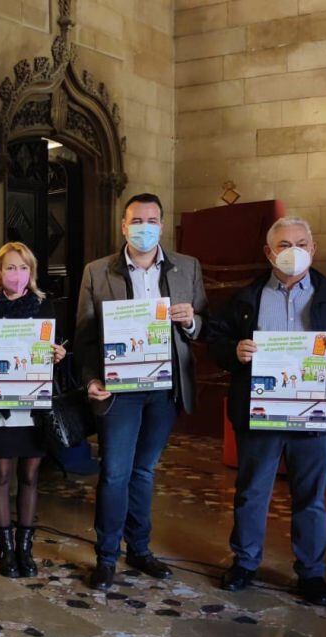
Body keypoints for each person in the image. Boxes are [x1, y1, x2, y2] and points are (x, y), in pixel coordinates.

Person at [207, 216, 326, 605]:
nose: (293, 251)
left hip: (316, 416)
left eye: (300, 243)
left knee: (311, 497)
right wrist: (233, 351)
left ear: (313, 249)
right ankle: (245, 562)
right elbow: (217, 338)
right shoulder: (247, 298)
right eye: (283, 245)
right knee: (251, 493)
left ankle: (311, 574)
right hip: (260, 414)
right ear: (269, 253)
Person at [75, 192, 208, 591]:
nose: (144, 228)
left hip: (165, 389)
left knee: (145, 470)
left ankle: (140, 548)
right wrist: (89, 380)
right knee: (115, 472)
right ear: (123, 226)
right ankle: (107, 556)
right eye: (136, 221)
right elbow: (83, 337)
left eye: (151, 221)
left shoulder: (188, 268)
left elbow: (203, 325)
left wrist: (192, 321)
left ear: (162, 226)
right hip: (120, 388)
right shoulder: (98, 272)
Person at [0, 242, 66, 578]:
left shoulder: (44, 307)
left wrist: (58, 357)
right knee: (2, 476)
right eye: (10, 268)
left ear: (32, 273)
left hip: (34, 405)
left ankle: (26, 549)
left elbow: (56, 358)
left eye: (23, 268)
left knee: (29, 476)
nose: (17, 274)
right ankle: (5, 550)